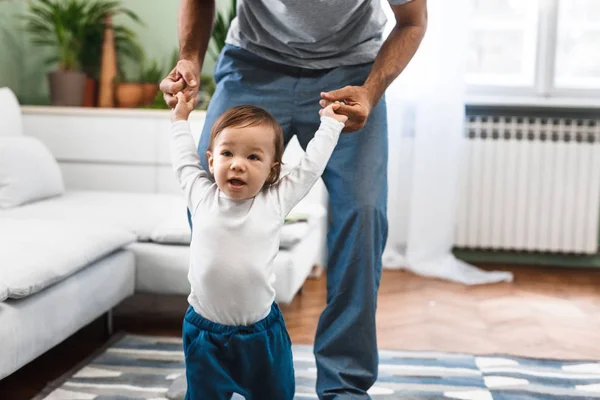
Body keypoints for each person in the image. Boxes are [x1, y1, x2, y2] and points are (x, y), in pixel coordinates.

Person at [161, 1, 427, 398]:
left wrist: (371, 91)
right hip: (254, 61)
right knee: (207, 195)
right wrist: (190, 59)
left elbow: (413, 21)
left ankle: (345, 385)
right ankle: (215, 359)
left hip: (352, 70)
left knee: (364, 214)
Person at [169, 90, 347, 399]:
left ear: (272, 170)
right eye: (228, 154)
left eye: (253, 157)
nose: (238, 165)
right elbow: (183, 158)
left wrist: (330, 125)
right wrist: (179, 118)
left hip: (260, 335)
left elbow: (310, 168)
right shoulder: (200, 195)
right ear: (211, 161)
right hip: (204, 334)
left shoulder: (274, 201)